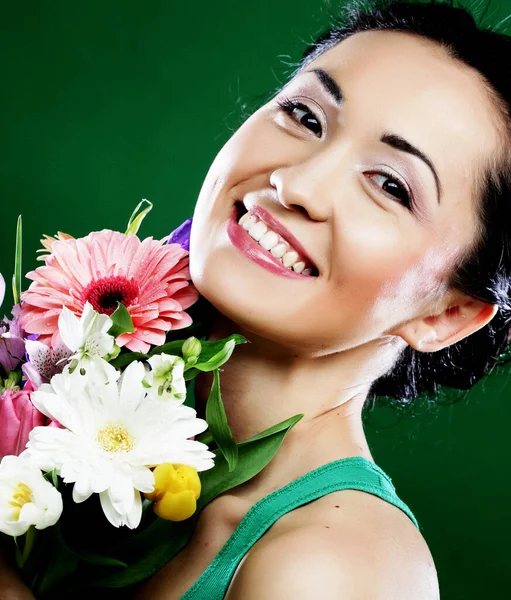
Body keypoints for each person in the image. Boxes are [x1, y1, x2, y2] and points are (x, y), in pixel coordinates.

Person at [2, 0, 511, 598]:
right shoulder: (60, 397)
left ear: (446, 314)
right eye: (304, 115)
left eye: (391, 186)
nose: (295, 183)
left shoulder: (344, 565)